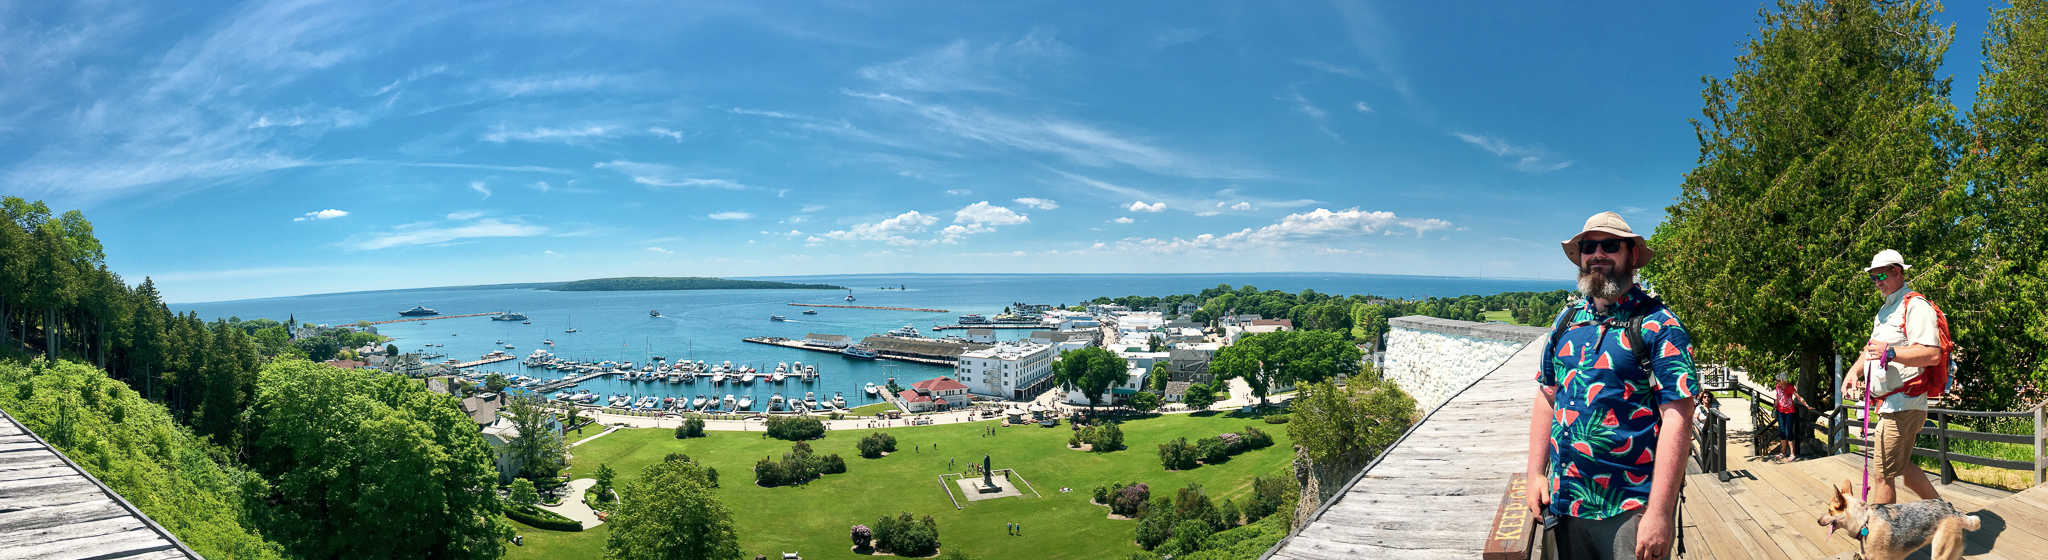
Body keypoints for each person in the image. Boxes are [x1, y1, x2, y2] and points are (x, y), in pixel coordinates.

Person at [1524, 211, 1700, 560]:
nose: (1597, 254)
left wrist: (1660, 514)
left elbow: (1679, 418)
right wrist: (1534, 475)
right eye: (1589, 246)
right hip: (1563, 503)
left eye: (1610, 245)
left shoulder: (1658, 325)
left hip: (1630, 511)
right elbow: (1547, 395)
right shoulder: (1568, 320)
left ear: (1632, 256)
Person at [1841, 249, 1943, 505]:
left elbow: (1932, 354)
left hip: (1903, 404)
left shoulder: (1915, 306)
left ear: (1897, 271)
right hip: (1891, 404)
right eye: (1872, 278)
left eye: (1881, 276)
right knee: (1903, 467)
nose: (1877, 283)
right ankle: (1946, 514)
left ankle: (1880, 542)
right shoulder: (1886, 310)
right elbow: (1871, 348)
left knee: (1882, 476)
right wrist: (1855, 371)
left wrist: (1893, 352)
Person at [1770, 373, 1814, 462]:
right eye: (1777, 381)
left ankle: (1792, 454)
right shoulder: (1778, 387)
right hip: (1780, 412)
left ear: (1783, 381)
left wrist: (1806, 405)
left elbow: (1798, 397)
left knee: (1788, 432)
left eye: (1779, 381)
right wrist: (1774, 408)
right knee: (1782, 432)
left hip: (1789, 412)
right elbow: (1778, 398)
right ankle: (1782, 452)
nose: (1777, 382)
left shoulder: (1790, 387)